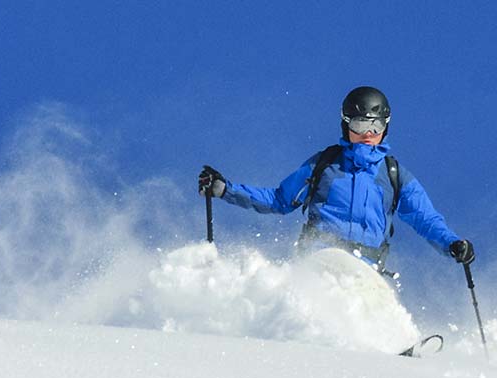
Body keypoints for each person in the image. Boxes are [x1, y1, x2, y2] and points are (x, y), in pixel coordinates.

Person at [198, 86, 474, 271]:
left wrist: (452, 244)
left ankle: (386, 349)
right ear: (346, 125)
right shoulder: (325, 165)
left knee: (369, 299)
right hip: (321, 257)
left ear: (385, 128)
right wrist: (225, 190)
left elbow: (425, 219)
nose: (367, 134)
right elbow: (279, 200)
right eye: (359, 125)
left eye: (375, 126)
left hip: (367, 267)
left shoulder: (394, 175)